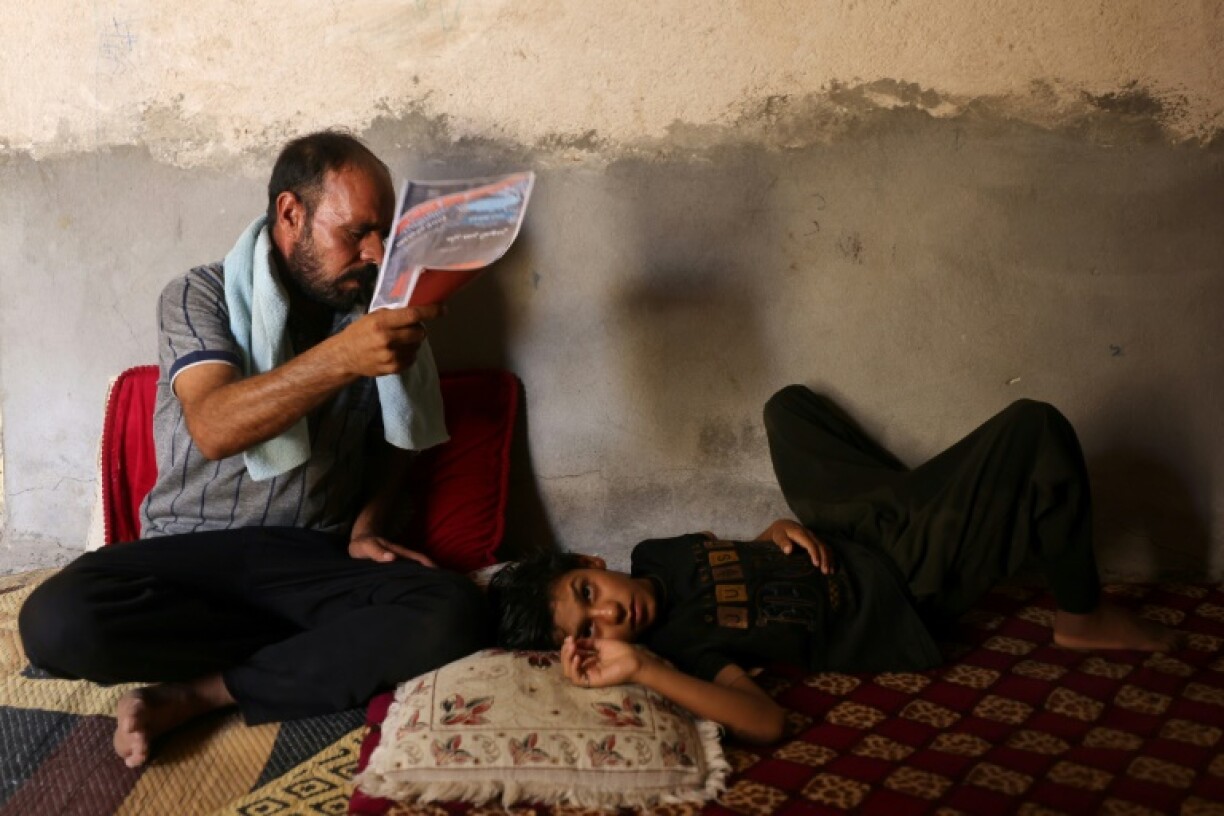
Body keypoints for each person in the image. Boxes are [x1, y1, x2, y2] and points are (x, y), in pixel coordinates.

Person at [18, 131, 488, 768]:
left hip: (310, 560)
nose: (375, 252)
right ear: (291, 214)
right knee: (54, 622)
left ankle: (203, 692)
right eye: (356, 232)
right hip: (187, 556)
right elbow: (214, 424)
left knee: (454, 610)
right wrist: (343, 360)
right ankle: (313, 657)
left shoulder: (374, 304)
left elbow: (399, 434)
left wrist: (369, 525)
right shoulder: (198, 295)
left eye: (385, 233)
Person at [488, 387, 1177, 745]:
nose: (610, 614)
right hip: (896, 586)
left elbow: (727, 559)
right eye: (594, 629)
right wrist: (640, 667)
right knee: (1036, 426)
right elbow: (764, 723)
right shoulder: (678, 650)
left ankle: (919, 500)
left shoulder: (653, 553)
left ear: (590, 561)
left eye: (588, 592)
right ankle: (1080, 615)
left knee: (787, 408)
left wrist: (771, 534)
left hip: (840, 534)